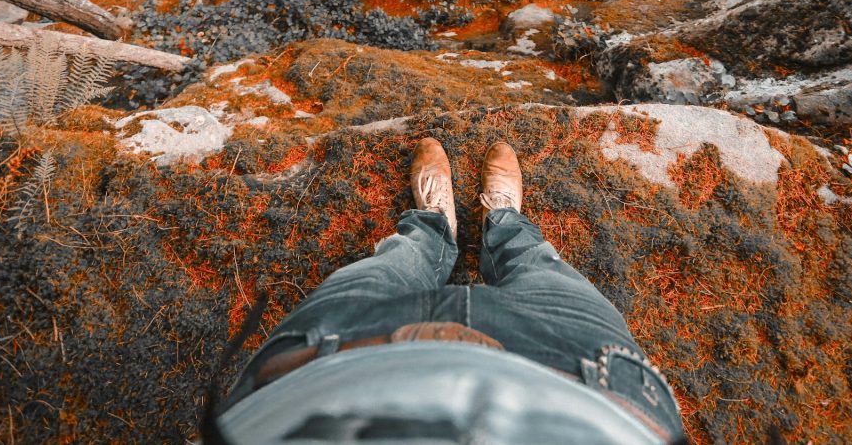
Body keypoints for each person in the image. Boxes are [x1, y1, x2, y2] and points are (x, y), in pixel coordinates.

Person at [205, 139, 687, 444]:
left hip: (331, 358)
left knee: (392, 262)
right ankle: (504, 223)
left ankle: (433, 227)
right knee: (542, 266)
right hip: (586, 375)